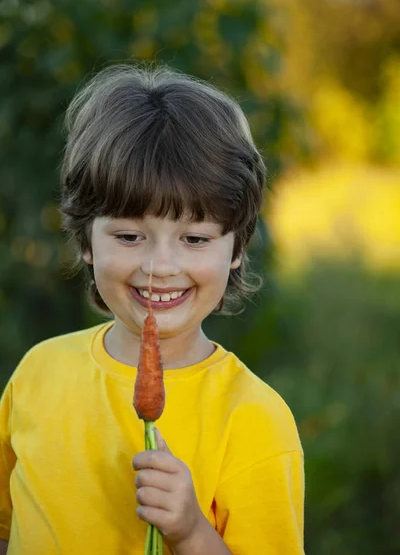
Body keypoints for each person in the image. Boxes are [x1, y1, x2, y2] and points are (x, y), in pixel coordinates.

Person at [0, 63, 305, 555]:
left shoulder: (254, 419)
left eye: (194, 238)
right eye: (128, 235)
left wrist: (191, 532)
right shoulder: (37, 373)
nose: (160, 266)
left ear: (236, 249)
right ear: (86, 240)